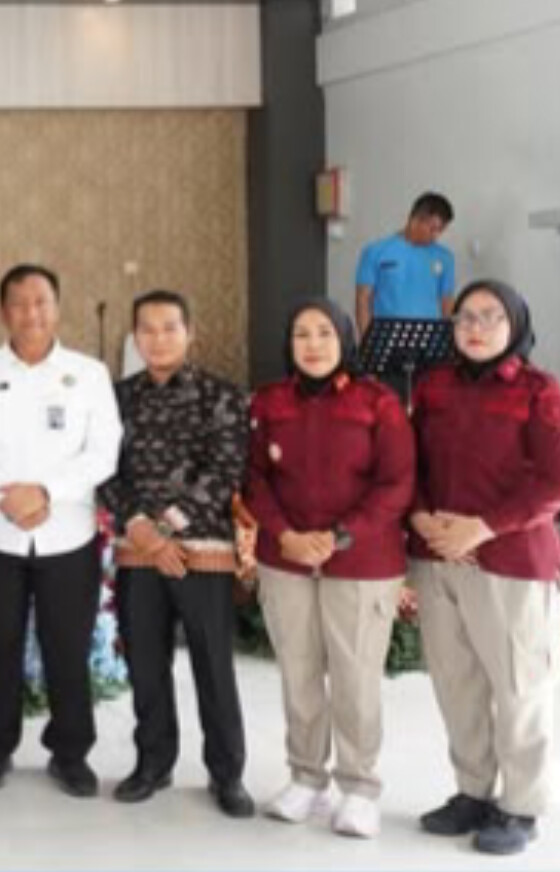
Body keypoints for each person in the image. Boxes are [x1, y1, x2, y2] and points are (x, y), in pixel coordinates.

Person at [245, 297, 413, 838]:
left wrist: (339, 536)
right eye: (301, 334)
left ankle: (360, 788)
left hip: (362, 561)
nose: (313, 344)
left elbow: (397, 483)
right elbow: (254, 479)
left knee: (355, 678)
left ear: (345, 338)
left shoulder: (378, 401)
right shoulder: (269, 401)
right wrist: (287, 535)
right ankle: (306, 778)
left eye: (324, 333)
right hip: (286, 558)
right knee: (298, 673)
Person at [0, 263, 122, 797]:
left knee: (67, 649)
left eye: (41, 302)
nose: (31, 313)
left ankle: (70, 753)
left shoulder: (89, 373)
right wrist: (4, 496)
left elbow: (104, 451)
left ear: (57, 308)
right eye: (20, 303)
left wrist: (46, 492)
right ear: (2, 311)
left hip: (67, 534)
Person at [409, 280, 560, 856]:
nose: (475, 328)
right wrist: (421, 518)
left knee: (518, 687)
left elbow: (553, 481)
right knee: (456, 683)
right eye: (466, 317)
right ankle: (473, 791)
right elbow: (408, 464)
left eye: (490, 317)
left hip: (509, 560)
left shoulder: (538, 391)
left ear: (514, 324)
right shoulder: (434, 386)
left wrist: (482, 528)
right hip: (436, 555)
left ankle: (521, 806)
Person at [98, 291, 253, 818]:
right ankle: (153, 763)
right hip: (138, 550)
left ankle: (227, 775)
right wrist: (140, 529)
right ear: (134, 337)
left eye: (169, 327)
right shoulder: (115, 398)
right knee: (146, 663)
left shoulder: (221, 395)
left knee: (213, 665)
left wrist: (164, 530)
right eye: (147, 329)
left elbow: (225, 469)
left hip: (202, 550)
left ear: (190, 333)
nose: (158, 338)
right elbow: (103, 470)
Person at [354, 191, 457, 336]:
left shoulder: (445, 257)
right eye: (432, 229)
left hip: (428, 339)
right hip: (386, 338)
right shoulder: (375, 252)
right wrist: (367, 340)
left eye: (440, 230)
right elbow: (363, 300)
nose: (436, 236)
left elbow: (447, 303)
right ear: (415, 219)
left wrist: (448, 339)